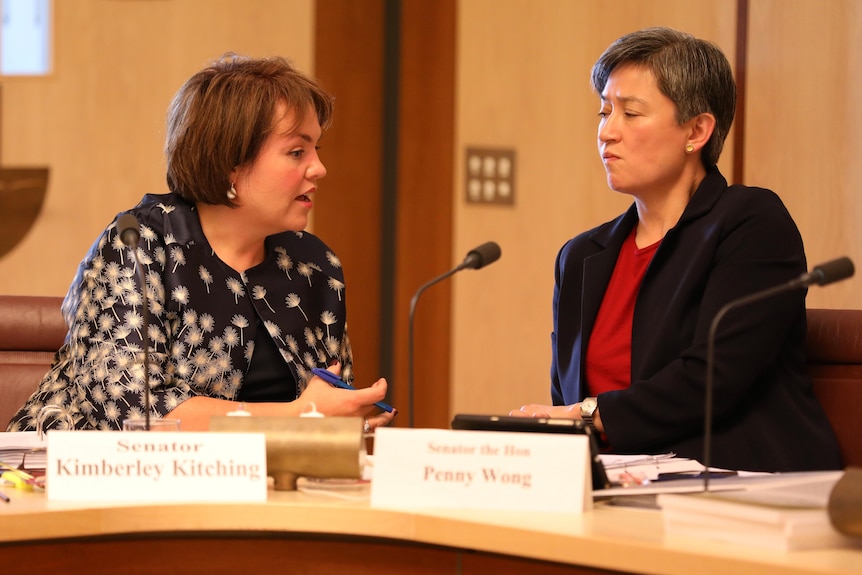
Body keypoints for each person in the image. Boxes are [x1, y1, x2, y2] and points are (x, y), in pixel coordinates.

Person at [510, 27, 841, 472]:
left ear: (697, 130)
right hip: (614, 488)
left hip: (735, 484)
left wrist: (588, 414)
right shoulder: (582, 255)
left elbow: (713, 380)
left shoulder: (751, 223)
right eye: (604, 112)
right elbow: (565, 398)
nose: (607, 132)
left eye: (631, 113)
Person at [7, 54, 396, 432]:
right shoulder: (138, 244)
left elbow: (327, 406)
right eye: (297, 152)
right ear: (231, 162)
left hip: (252, 488)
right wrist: (299, 417)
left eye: (316, 150)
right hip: (74, 482)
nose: (319, 168)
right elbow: (136, 416)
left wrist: (346, 418)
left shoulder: (315, 266)